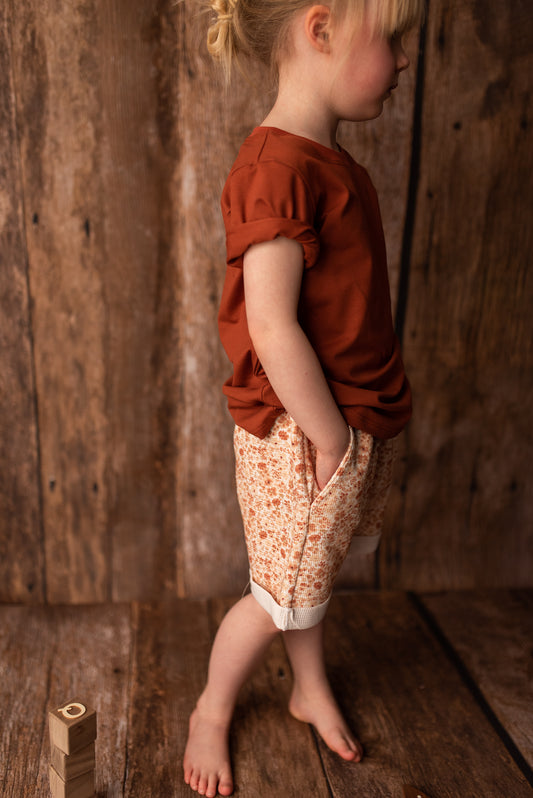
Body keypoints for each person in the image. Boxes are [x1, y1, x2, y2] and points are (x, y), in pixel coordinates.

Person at [184, 0, 424, 795]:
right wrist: (326, 438)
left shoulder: (327, 162)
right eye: (390, 39)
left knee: (305, 582)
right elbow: (271, 324)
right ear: (320, 30)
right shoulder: (277, 170)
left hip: (342, 419)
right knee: (273, 592)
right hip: (302, 429)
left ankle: (307, 685)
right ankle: (213, 710)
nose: (400, 60)